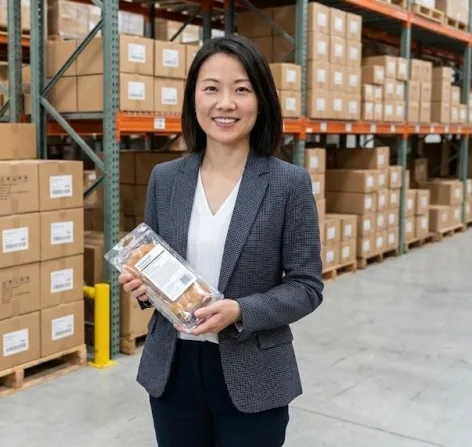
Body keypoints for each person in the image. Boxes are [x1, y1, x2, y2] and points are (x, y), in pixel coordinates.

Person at [118, 35, 324, 447]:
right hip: (173, 369)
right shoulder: (166, 179)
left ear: (261, 100)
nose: (225, 103)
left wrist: (241, 310)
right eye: (211, 88)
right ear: (194, 99)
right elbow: (154, 265)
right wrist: (143, 287)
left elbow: (306, 286)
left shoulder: (288, 184)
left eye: (241, 89)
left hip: (253, 370)